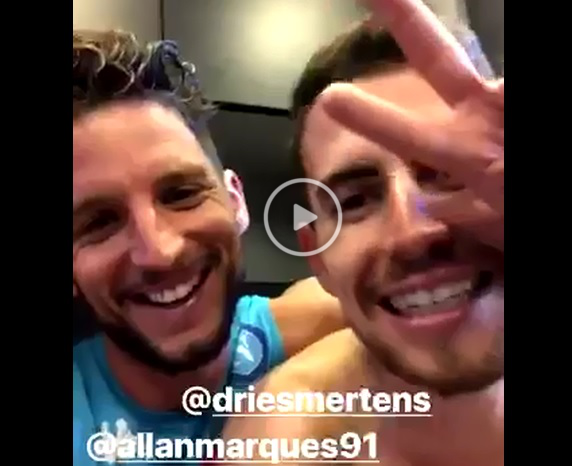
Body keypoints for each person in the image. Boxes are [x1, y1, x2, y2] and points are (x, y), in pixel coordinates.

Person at [223, 0, 504, 465]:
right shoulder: (284, 446)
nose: (413, 232)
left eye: (451, 173)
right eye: (354, 201)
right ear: (317, 257)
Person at [72, 30, 346, 465]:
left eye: (181, 194)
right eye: (100, 222)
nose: (160, 251)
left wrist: (290, 388)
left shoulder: (324, 327)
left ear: (236, 202)